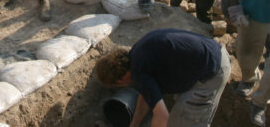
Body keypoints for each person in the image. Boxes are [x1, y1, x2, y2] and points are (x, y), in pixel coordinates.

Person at [95, 28, 231, 127]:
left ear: (119, 81)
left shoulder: (139, 73)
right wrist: (134, 124)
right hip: (208, 57)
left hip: (212, 72)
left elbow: (163, 116)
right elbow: (147, 96)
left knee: (180, 123)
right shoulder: (136, 55)